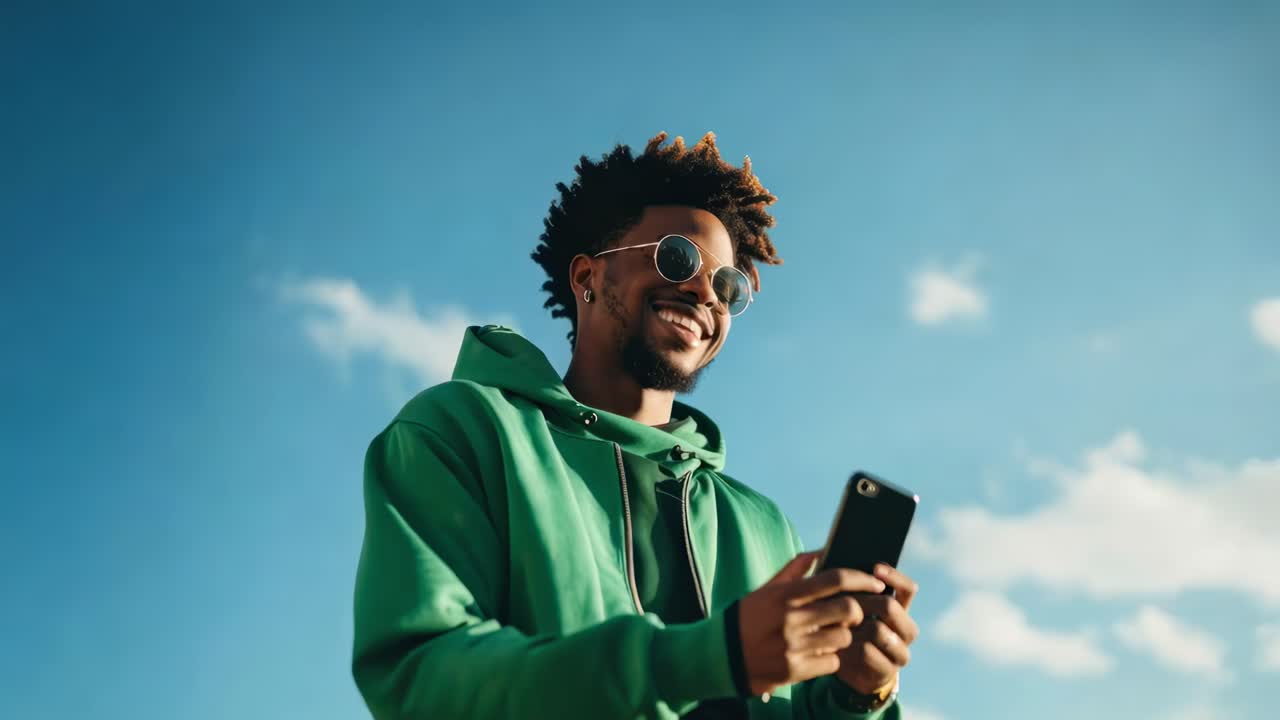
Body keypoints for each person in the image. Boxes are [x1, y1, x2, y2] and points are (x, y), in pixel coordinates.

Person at [352, 132, 921, 719]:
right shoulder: (464, 432)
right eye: (678, 256)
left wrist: (860, 695)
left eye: (730, 287)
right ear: (586, 277)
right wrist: (707, 658)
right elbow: (421, 680)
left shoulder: (762, 525)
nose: (706, 292)